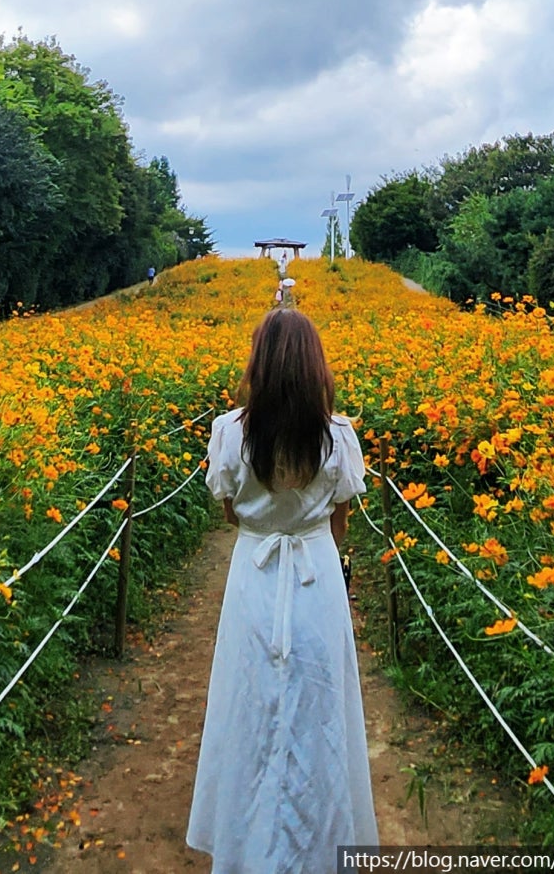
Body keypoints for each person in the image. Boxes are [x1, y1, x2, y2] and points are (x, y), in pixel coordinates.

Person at [186, 309, 378, 873]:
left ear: (259, 364)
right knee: (320, 715)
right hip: (317, 580)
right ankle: (319, 850)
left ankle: (248, 850)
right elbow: (340, 524)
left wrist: (269, 521)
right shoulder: (338, 437)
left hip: (254, 578)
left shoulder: (231, 433)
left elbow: (230, 514)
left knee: (249, 709)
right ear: (315, 366)